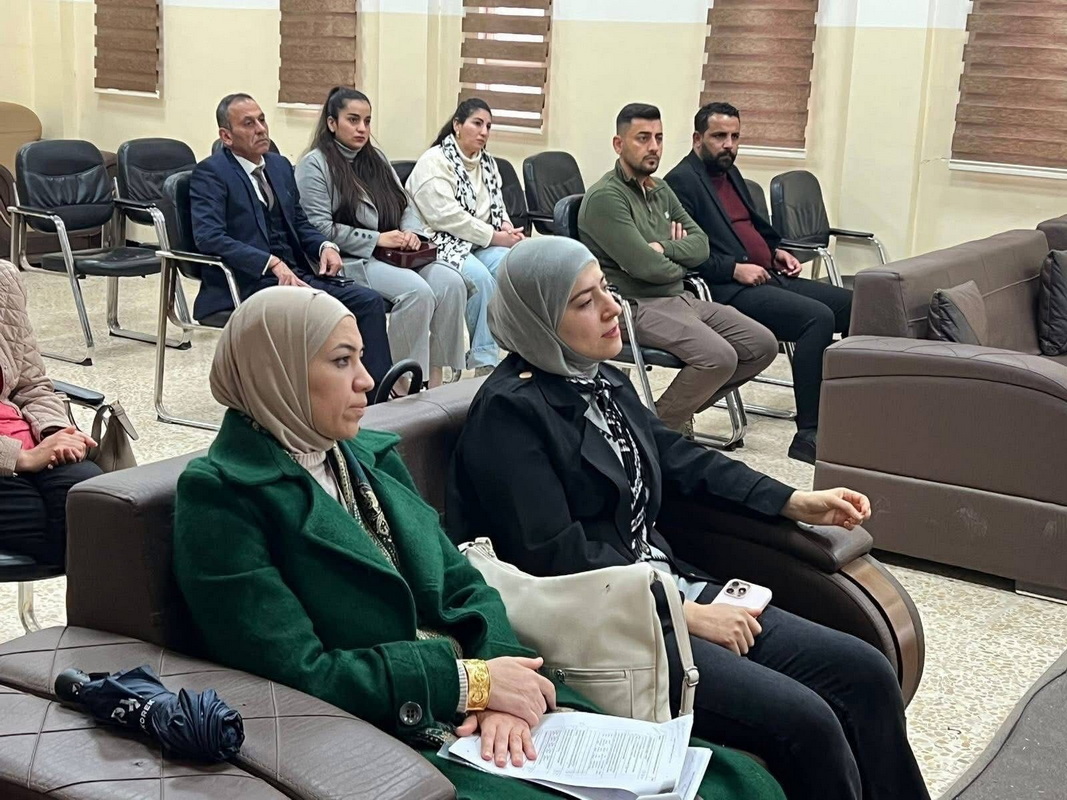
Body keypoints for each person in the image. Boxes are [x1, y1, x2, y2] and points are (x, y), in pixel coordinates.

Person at [171, 285, 785, 800]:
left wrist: (500, 682)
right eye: (341, 362)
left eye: (361, 357)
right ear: (275, 373)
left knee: (735, 781)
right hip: (395, 731)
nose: (366, 380)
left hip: (481, 702)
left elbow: (466, 582)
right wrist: (470, 684)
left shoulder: (364, 456)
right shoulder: (223, 496)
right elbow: (297, 674)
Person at [446, 238, 930, 800]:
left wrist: (790, 499)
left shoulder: (598, 379)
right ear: (539, 321)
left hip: (675, 593)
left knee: (864, 670)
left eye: (605, 288)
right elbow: (555, 556)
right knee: (808, 722)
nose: (611, 307)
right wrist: (680, 614)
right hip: (615, 629)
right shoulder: (509, 415)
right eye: (584, 301)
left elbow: (677, 458)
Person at [664, 102, 852, 463]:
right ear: (697, 138)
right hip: (726, 289)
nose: (729, 144)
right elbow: (686, 252)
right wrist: (734, 269)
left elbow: (753, 226)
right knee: (817, 319)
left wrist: (776, 250)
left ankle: (844, 409)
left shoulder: (730, 173)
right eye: (719, 136)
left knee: (854, 305)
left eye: (735, 137)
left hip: (768, 275)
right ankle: (809, 433)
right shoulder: (680, 183)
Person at [578, 103, 778, 437]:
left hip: (679, 297)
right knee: (719, 357)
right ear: (618, 144)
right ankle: (653, 433)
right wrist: (677, 260)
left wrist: (665, 248)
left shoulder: (659, 188)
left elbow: (702, 246)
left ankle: (667, 417)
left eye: (659, 138)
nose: (654, 147)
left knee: (762, 345)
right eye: (642, 138)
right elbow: (647, 268)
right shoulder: (606, 198)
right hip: (634, 305)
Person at [190, 92, 392, 389]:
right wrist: (269, 262)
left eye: (262, 120)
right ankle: (318, 396)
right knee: (324, 312)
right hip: (247, 282)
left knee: (368, 302)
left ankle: (374, 397)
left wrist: (325, 246)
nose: (261, 129)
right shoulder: (211, 173)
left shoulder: (279, 166)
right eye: (248, 123)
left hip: (297, 274)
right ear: (226, 136)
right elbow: (209, 237)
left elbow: (299, 221)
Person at [296, 87, 466, 389]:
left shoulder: (376, 158)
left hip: (394, 253)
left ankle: (437, 379)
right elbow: (317, 227)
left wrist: (411, 233)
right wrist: (375, 239)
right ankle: (401, 384)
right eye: (353, 120)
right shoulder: (315, 164)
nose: (362, 129)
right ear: (332, 123)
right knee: (417, 293)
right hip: (352, 259)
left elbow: (406, 204)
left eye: (367, 121)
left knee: (452, 283)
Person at [406, 98, 524, 374]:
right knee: (480, 279)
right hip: (438, 240)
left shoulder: (487, 163)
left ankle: (519, 352)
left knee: (513, 266)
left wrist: (506, 228)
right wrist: (496, 237)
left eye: (488, 126)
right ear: (457, 126)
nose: (484, 132)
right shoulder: (434, 161)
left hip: (478, 241)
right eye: (477, 123)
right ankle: (485, 362)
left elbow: (497, 206)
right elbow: (447, 218)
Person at [0, 259, 101, 567]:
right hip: (15, 456)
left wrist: (56, 434)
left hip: (28, 442)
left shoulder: (4, 279)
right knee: (68, 524)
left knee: (93, 498)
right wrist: (22, 458)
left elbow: (32, 384)